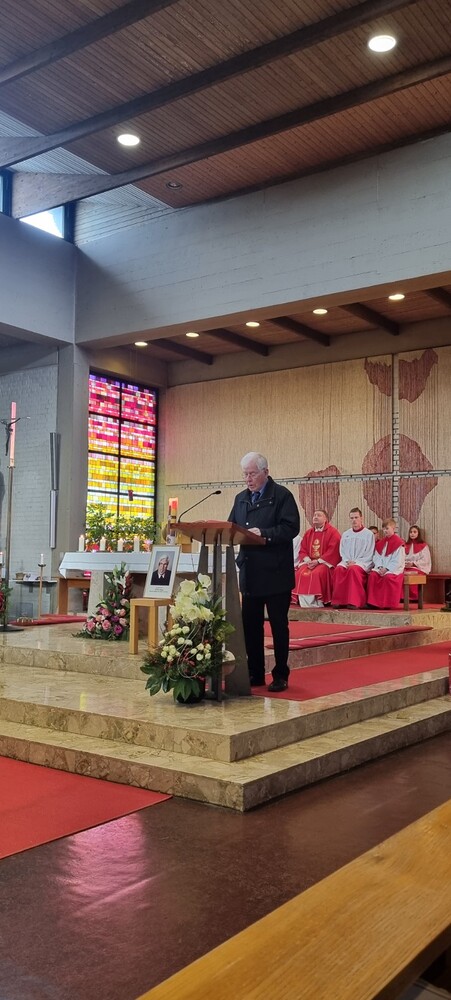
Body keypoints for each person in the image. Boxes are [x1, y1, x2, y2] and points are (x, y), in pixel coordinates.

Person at [229, 451, 300, 692]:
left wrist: (265, 534)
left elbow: (291, 528)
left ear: (265, 472)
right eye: (245, 474)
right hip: (250, 572)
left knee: (278, 626)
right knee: (251, 627)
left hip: (275, 573)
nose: (247, 479)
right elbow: (231, 527)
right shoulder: (241, 498)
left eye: (252, 474)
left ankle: (280, 674)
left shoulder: (282, 496)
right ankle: (255, 672)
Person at [292, 509, 341, 607]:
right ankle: (303, 602)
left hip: (324, 563)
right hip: (310, 562)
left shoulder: (333, 532)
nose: (315, 517)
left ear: (325, 519)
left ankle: (319, 601)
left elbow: (333, 550)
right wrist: (308, 560)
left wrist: (318, 561)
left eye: (319, 515)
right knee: (299, 573)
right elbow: (303, 549)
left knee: (316, 573)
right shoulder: (308, 533)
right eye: (314, 515)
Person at [331, 508, 375, 608]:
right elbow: (342, 551)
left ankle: (354, 601)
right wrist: (347, 561)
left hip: (362, 563)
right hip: (347, 561)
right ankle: (339, 601)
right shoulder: (346, 534)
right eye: (352, 518)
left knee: (353, 570)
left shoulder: (368, 534)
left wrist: (356, 562)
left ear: (361, 518)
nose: (354, 520)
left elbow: (369, 553)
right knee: (338, 569)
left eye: (356, 517)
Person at [367, 518, 405, 609]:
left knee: (388, 578)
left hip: (393, 569)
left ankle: (387, 604)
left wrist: (387, 569)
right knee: (373, 575)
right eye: (384, 529)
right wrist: (380, 567)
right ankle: (373, 603)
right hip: (381, 568)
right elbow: (377, 557)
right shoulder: (381, 543)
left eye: (387, 528)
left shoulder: (399, 543)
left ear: (393, 528)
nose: (385, 531)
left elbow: (398, 560)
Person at [404, 525, 432, 601]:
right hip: (407, 567)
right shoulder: (405, 545)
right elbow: (402, 557)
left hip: (419, 567)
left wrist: (413, 564)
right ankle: (403, 597)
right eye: (411, 532)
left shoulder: (423, 546)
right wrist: (405, 564)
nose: (412, 534)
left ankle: (414, 597)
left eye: (414, 532)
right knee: (400, 574)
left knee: (411, 574)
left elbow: (425, 560)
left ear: (418, 533)